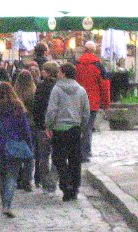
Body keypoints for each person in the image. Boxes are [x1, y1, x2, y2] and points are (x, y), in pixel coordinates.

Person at [0, 82, 34, 218]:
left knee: (2, 175)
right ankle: (7, 205)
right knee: (12, 176)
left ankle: (4, 203)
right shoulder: (17, 106)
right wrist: (29, 144)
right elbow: (25, 128)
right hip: (15, 144)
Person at [45, 62, 90, 201]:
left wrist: (49, 125)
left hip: (59, 129)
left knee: (59, 158)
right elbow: (86, 111)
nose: (57, 74)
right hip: (75, 129)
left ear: (64, 73)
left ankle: (65, 182)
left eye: (59, 72)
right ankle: (74, 188)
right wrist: (81, 125)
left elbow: (52, 110)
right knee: (75, 160)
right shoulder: (81, 90)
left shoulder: (57, 90)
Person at [75, 40, 111, 162]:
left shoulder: (76, 64)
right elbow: (105, 86)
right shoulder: (98, 65)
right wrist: (106, 103)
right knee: (88, 128)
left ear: (84, 50)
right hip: (92, 102)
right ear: (94, 51)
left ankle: (78, 151)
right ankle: (85, 152)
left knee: (77, 127)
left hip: (76, 101)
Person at [31, 61, 60, 192]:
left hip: (42, 126)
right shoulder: (59, 86)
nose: (41, 72)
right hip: (57, 125)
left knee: (43, 155)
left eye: (43, 70)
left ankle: (44, 181)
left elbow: (36, 106)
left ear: (47, 72)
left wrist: (38, 123)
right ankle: (53, 179)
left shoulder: (42, 86)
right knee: (57, 154)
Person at [14, 69, 37, 192]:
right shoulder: (33, 92)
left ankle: (17, 178)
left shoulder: (14, 94)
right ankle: (27, 180)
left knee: (17, 152)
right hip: (31, 125)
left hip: (17, 125)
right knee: (29, 153)